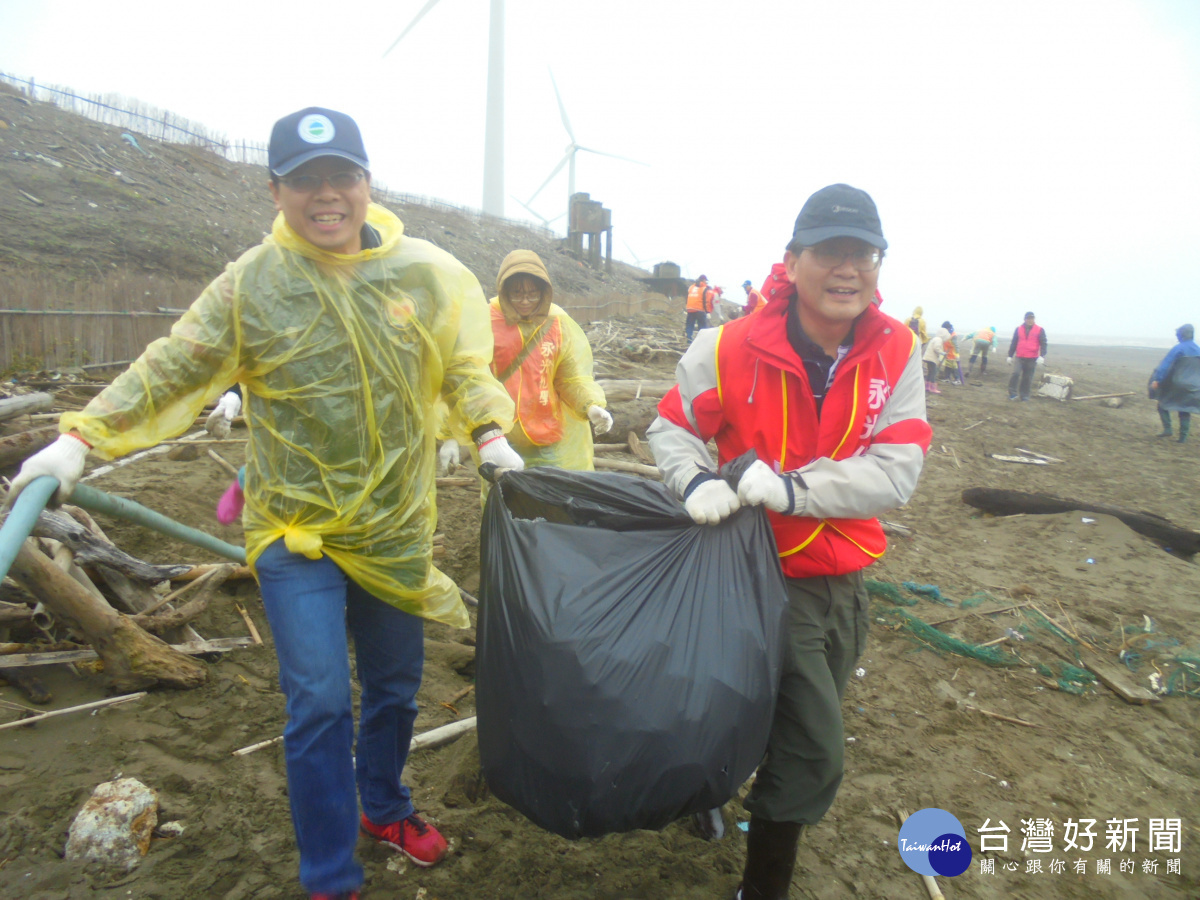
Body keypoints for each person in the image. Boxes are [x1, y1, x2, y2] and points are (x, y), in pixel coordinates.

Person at [6, 107, 524, 900]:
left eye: (340, 177)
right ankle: (328, 875)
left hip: (391, 527)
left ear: (365, 183)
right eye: (306, 180)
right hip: (294, 531)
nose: (326, 195)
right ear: (276, 189)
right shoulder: (254, 282)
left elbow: (461, 364)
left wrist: (490, 432)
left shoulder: (421, 275)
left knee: (393, 688)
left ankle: (383, 806)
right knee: (318, 698)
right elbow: (175, 362)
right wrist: (83, 436)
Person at [647, 184, 930, 900]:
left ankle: (708, 794)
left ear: (878, 263)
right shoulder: (730, 345)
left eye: (862, 253)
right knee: (810, 747)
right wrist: (691, 482)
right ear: (793, 260)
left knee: (778, 718)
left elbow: (898, 469)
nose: (847, 268)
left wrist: (796, 489)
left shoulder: (897, 350)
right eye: (829, 250)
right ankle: (762, 886)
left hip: (837, 581)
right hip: (743, 570)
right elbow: (674, 426)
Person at [438, 249, 612, 484]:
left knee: (553, 494)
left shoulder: (557, 324)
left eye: (532, 294)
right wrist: (449, 436)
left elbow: (570, 378)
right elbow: (463, 380)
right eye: (517, 294)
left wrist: (591, 405)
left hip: (547, 432)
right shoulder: (483, 322)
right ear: (504, 291)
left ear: (544, 292)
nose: (525, 301)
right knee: (506, 500)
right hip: (498, 434)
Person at [1150, 324, 1200, 442]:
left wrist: (1158, 380)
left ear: (1181, 335)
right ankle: (1183, 437)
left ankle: (1168, 428)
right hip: (1194, 385)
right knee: (1185, 408)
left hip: (1176, 383)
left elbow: (1165, 366)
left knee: (1161, 402)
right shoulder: (1198, 349)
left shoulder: (1178, 348)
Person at [1006, 311, 1047, 401]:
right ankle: (1012, 393)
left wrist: (1042, 356)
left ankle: (1024, 395)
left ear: (1034, 319)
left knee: (1027, 377)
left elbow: (1043, 343)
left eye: (1032, 318)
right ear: (1025, 319)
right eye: (1028, 318)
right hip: (1020, 356)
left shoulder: (1040, 330)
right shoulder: (1018, 329)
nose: (1030, 320)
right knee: (1015, 374)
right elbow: (1014, 342)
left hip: (1032, 358)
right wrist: (1010, 355)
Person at [685, 274, 718, 342]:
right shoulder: (705, 288)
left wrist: (688, 307)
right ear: (704, 280)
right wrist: (707, 312)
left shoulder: (691, 287)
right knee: (702, 327)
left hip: (690, 308)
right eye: (706, 281)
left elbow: (688, 296)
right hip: (699, 309)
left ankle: (688, 339)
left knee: (690, 325)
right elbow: (706, 301)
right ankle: (702, 341)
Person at [922, 324, 953, 394]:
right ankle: (932, 387)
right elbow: (936, 348)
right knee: (933, 372)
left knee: (930, 372)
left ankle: (927, 386)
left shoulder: (935, 338)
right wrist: (942, 353)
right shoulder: (939, 340)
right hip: (931, 359)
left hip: (928, 357)